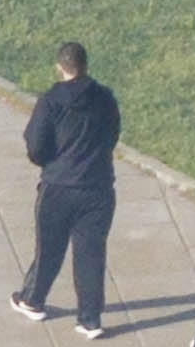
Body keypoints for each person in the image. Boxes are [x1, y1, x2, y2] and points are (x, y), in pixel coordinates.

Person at [11, 43, 118, 329]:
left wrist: (51, 162)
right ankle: (90, 319)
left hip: (59, 186)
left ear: (60, 66)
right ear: (85, 65)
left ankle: (33, 300)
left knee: (49, 248)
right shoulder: (105, 98)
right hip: (98, 187)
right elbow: (112, 135)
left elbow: (35, 145)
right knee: (91, 253)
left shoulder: (51, 101)